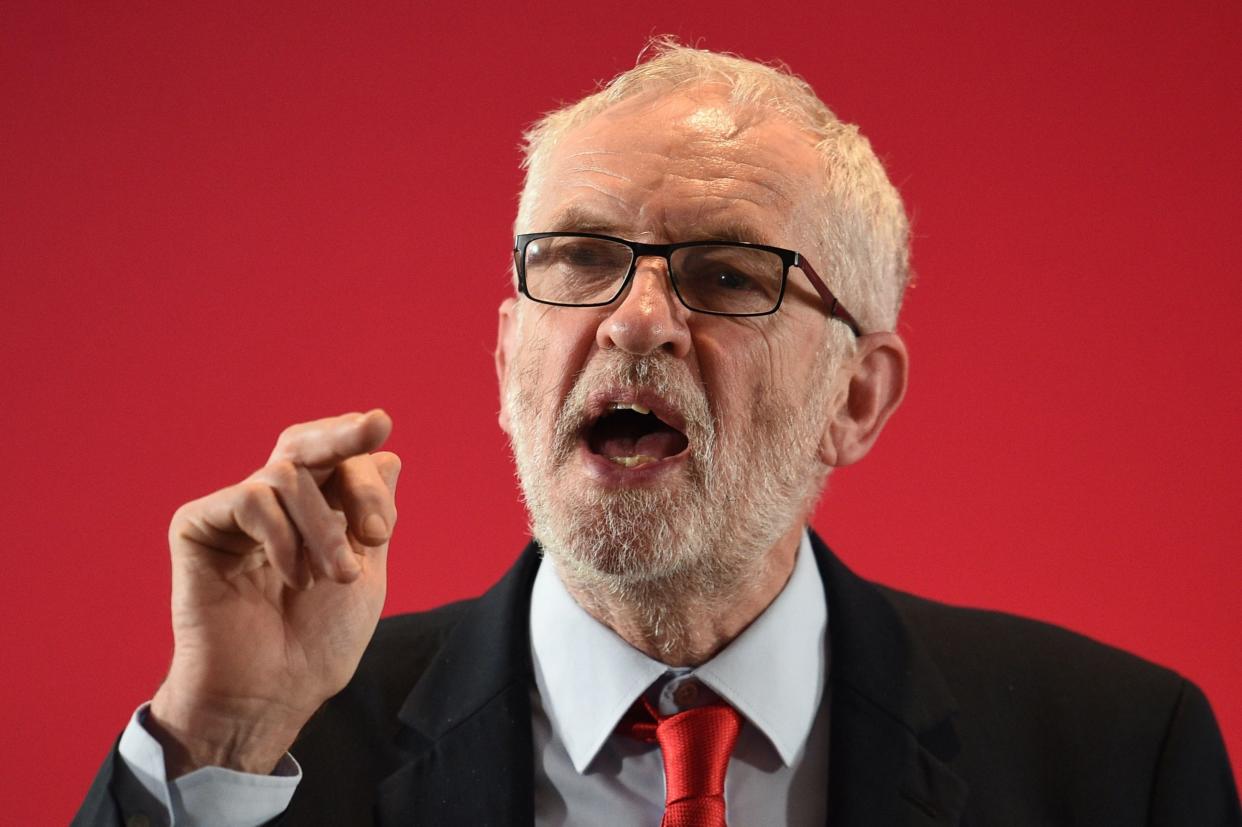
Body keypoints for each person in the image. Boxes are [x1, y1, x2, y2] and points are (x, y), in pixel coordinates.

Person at [75, 40, 1238, 826]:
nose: (636, 320)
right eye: (579, 259)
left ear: (857, 399)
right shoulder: (270, 758)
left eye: (728, 274)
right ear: (505, 356)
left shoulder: (1117, 757)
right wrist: (223, 733)